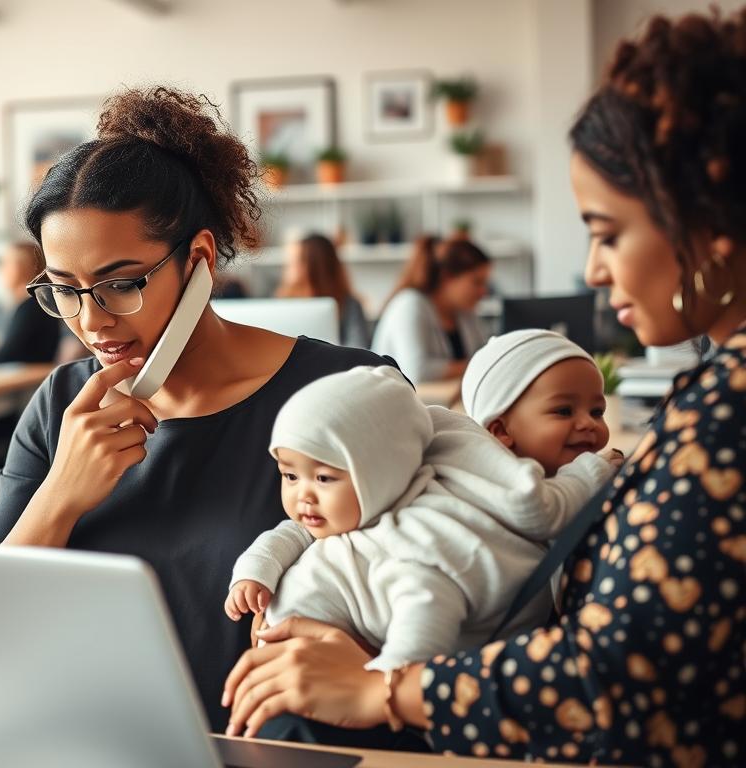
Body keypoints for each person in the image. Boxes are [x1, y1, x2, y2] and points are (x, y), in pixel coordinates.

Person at [222, 9, 746, 764]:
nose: (595, 269)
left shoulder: (727, 419)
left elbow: (617, 679)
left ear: (708, 224)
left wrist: (384, 690)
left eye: (607, 232)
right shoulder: (715, 397)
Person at [0, 86, 390, 731]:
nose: (92, 322)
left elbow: (429, 585)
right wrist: (61, 494)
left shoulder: (354, 389)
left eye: (120, 284)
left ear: (197, 258)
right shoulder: (61, 405)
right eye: (64, 290)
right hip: (92, 740)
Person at [223, 367, 617, 676]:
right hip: (279, 667)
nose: (302, 495)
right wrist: (255, 573)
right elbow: (287, 535)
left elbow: (420, 638)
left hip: (331, 687)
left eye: (324, 477)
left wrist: (375, 684)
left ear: (380, 473)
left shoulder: (419, 546)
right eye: (290, 475)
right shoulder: (331, 514)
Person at [460, 329, 614, 476]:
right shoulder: (499, 495)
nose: (589, 423)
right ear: (501, 431)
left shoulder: (602, 473)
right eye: (564, 411)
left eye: (597, 412)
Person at [371, 236, 491, 384]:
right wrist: (475, 364)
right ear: (447, 278)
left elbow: (485, 354)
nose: (483, 291)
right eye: (477, 282)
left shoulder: (465, 311)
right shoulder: (409, 305)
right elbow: (417, 372)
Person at [0, 241, 62, 364]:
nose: (1, 269)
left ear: (24, 267)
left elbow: (5, 356)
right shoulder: (35, 303)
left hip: (29, 378)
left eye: (7, 263)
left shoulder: (31, 307)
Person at [274, 233, 370, 348]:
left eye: (295, 261)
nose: (288, 266)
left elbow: (359, 348)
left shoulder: (349, 304)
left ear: (312, 265)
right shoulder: (281, 304)